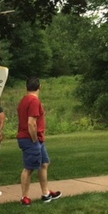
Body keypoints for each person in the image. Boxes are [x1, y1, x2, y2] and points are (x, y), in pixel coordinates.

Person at [17, 77, 61, 206]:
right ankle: (24, 197)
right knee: (29, 168)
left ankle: (45, 193)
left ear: (26, 87)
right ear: (40, 87)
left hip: (37, 139)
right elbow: (31, 123)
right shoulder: (33, 101)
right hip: (31, 138)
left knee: (44, 163)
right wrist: (35, 139)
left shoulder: (24, 100)